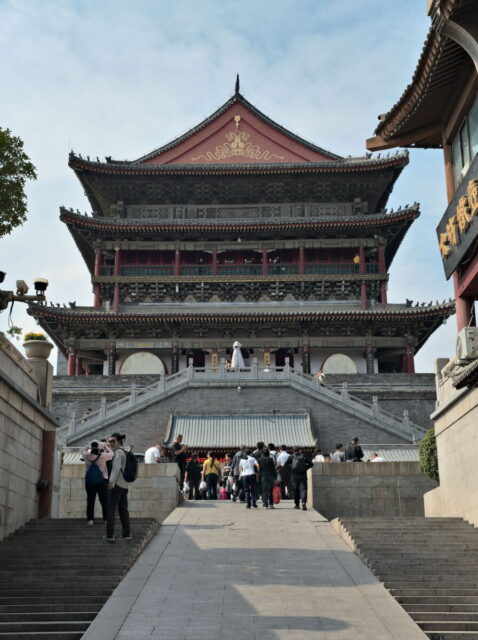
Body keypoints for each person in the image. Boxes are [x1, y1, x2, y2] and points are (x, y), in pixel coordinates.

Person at [105, 433, 131, 542]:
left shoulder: (118, 452)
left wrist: (111, 482)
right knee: (123, 510)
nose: (110, 443)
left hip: (117, 485)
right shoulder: (123, 452)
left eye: (113, 441)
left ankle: (110, 535)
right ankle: (126, 534)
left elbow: (116, 468)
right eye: (109, 441)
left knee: (111, 509)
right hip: (124, 485)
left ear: (119, 442)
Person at [82, 440, 113, 525]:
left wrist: (88, 445)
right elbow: (112, 454)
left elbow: (81, 451)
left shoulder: (87, 455)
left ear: (91, 447)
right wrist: (104, 446)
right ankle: (106, 519)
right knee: (104, 500)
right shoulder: (103, 455)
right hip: (102, 480)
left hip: (89, 481)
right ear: (99, 447)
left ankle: (90, 519)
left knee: (90, 500)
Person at [286, 446, 313, 511]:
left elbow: (285, 465)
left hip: (294, 476)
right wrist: (305, 468)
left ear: (293, 451)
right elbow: (311, 464)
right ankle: (303, 502)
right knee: (303, 489)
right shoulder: (304, 456)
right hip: (303, 475)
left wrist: (291, 469)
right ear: (299, 450)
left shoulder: (291, 457)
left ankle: (297, 505)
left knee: (295, 490)